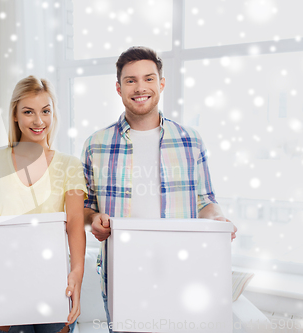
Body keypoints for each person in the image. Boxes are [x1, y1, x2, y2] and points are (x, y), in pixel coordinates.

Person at [81, 46, 238, 332]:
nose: (140, 87)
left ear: (161, 83)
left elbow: (207, 201)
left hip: (181, 270)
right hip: (122, 273)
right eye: (130, 80)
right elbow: (85, 206)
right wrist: (94, 220)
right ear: (118, 88)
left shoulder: (190, 140)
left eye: (149, 78)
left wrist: (217, 220)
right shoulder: (96, 144)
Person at [0, 75, 87, 333]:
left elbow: (75, 225)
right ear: (15, 115)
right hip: (2, 283)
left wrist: (77, 274)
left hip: (53, 282)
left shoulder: (69, 165)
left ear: (53, 114)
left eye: (45, 111)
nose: (38, 121)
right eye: (28, 112)